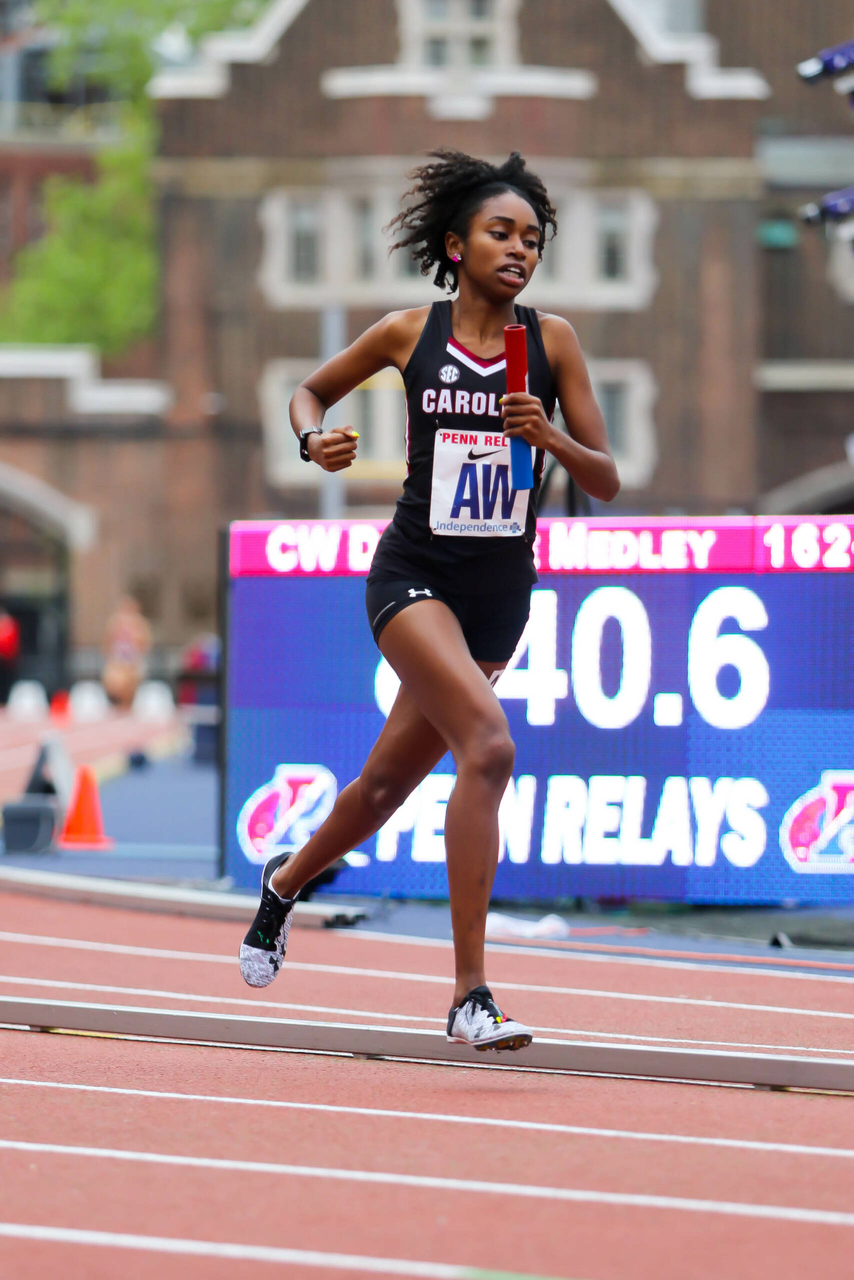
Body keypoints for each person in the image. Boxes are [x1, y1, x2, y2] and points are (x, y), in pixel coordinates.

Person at [240, 150, 619, 1050]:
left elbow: (605, 479)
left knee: (378, 789)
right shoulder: (409, 333)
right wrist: (314, 440)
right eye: (501, 233)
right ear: (455, 245)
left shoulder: (552, 341)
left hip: (499, 594)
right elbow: (308, 393)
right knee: (488, 748)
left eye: (533, 238)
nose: (520, 249)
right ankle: (469, 994)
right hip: (413, 576)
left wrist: (551, 439)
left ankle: (284, 882)